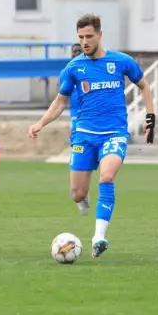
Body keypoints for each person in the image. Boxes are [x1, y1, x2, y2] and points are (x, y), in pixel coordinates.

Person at [28, 14, 155, 258]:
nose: (84, 41)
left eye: (89, 36)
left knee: (106, 177)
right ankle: (83, 201)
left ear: (99, 35)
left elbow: (145, 86)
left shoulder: (120, 61)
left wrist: (150, 121)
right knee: (77, 193)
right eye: (80, 37)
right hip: (84, 136)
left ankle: (99, 237)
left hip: (114, 133)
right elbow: (60, 101)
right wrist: (40, 123)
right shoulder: (74, 68)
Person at [67, 42, 91, 216]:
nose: (76, 53)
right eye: (73, 51)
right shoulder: (70, 73)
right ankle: (80, 192)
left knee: (87, 161)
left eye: (79, 50)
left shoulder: (90, 72)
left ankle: (83, 191)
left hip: (91, 124)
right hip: (76, 125)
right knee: (77, 160)